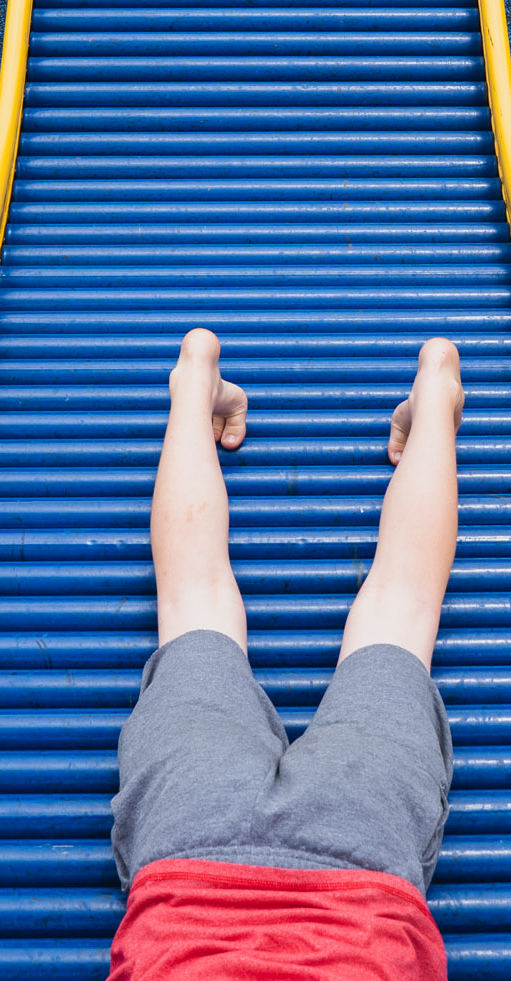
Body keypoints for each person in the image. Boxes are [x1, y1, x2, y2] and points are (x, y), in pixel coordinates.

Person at [108, 328, 466, 981]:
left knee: (401, 606)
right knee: (195, 597)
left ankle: (437, 396)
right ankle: (195, 382)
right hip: (192, 849)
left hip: (363, 862)